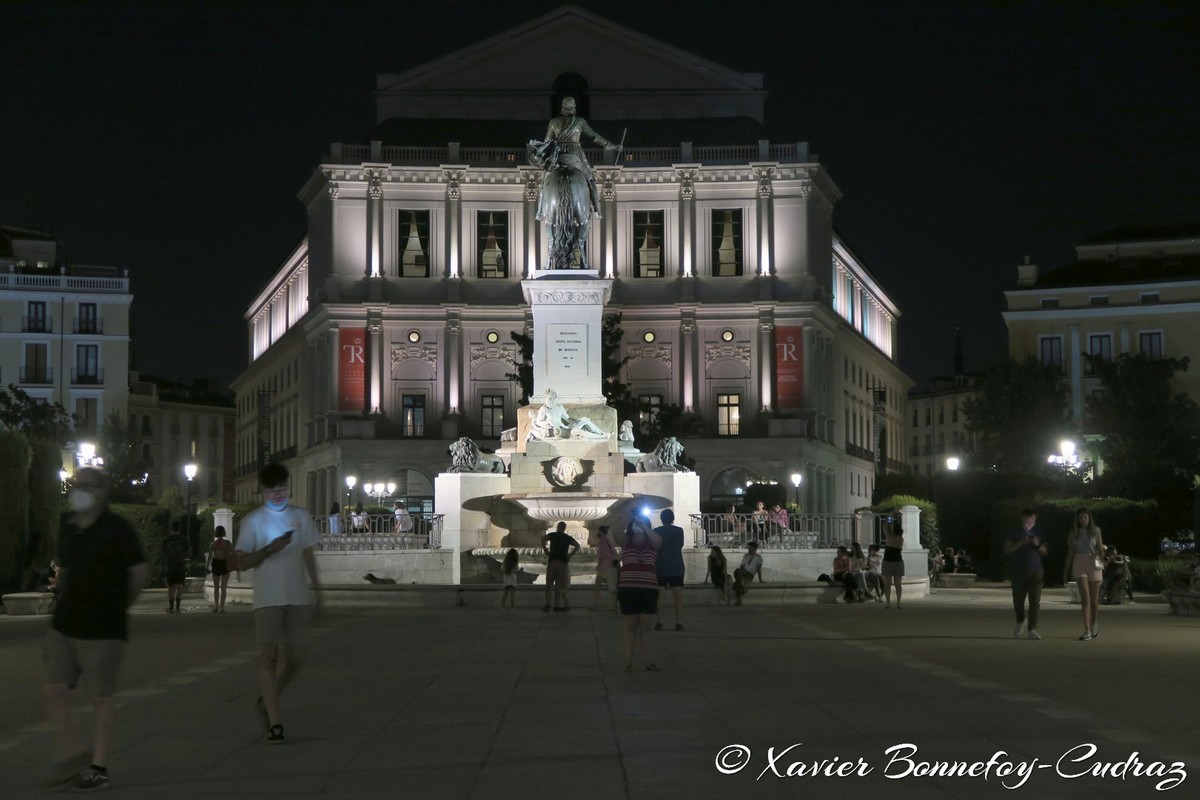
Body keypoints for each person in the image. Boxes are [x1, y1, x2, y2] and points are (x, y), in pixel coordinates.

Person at [42, 467, 149, 792]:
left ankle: (98, 766)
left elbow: (140, 573)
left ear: (102, 492)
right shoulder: (68, 526)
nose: (80, 490)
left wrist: (118, 608)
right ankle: (74, 754)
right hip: (66, 622)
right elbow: (67, 569)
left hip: (104, 626)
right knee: (55, 688)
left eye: (87, 485)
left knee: (100, 697)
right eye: (77, 485)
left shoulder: (118, 528)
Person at [235, 462, 322, 745]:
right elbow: (242, 561)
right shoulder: (254, 521)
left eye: (281, 487)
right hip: (268, 599)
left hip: (298, 597)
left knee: (297, 658)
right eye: (271, 489)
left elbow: (309, 554)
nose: (277, 493)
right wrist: (269, 549)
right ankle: (275, 721)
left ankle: (267, 699)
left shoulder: (301, 516)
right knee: (269, 660)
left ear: (288, 486)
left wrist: (319, 592)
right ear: (261, 490)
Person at [616, 518, 663, 672]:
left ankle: (649, 662)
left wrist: (644, 526)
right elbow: (614, 531)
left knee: (646, 627)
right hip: (628, 589)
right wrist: (628, 516)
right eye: (636, 523)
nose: (638, 525)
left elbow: (659, 542)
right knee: (630, 626)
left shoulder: (652, 542)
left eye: (642, 523)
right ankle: (628, 662)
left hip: (648, 589)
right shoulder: (626, 541)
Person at [1063, 506, 1106, 640]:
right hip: (1079, 562)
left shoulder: (1096, 531)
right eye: (1080, 517)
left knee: (1094, 600)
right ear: (1077, 519)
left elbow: (1101, 549)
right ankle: (1086, 629)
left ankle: (1094, 623)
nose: (1083, 519)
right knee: (1085, 598)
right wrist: (1065, 570)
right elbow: (1071, 552)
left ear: (1089, 517)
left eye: (1085, 517)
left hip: (1094, 563)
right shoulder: (1073, 533)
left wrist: (1099, 553)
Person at [1005, 508, 1046, 640]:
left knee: (1035, 602)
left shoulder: (1039, 533)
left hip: (1036, 570)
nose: (1030, 524)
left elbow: (1045, 551)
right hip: (1018, 570)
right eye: (1028, 521)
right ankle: (1020, 620)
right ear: (1022, 519)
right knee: (1018, 600)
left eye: (1033, 521)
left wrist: (1037, 544)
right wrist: (1022, 542)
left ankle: (1033, 629)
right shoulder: (1014, 532)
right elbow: (1008, 550)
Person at [529, 388, 607, 441]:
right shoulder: (543, 409)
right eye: (546, 399)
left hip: (565, 428)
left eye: (550, 399)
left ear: (555, 399)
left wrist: (578, 421)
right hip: (557, 432)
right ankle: (601, 437)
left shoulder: (559, 407)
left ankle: (603, 433)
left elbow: (568, 419)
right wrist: (548, 422)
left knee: (585, 420)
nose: (547, 401)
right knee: (577, 431)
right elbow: (539, 422)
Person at [653, 509, 686, 631]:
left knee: (660, 596)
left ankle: (659, 621)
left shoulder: (656, 531)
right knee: (678, 596)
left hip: (661, 565)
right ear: (673, 518)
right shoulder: (679, 531)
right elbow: (680, 545)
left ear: (662, 519)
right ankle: (679, 622)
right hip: (676, 565)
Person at [541, 521, 580, 612]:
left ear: (557, 527)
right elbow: (577, 546)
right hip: (562, 563)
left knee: (549, 585)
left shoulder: (553, 535)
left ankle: (547, 604)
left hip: (552, 561)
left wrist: (545, 550)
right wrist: (570, 555)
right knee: (559, 586)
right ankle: (556, 605)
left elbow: (543, 539)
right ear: (564, 528)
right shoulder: (567, 537)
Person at [161, 520, 188, 614]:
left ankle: (171, 607)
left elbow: (163, 553)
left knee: (171, 586)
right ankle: (178, 607)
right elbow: (188, 552)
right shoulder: (184, 540)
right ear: (180, 529)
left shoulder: (166, 540)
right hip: (180, 565)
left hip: (170, 565)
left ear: (171, 528)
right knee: (180, 586)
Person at [207, 525, 234, 613]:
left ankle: (216, 606)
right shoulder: (227, 543)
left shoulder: (213, 544)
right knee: (223, 588)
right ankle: (222, 607)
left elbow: (210, 556)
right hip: (225, 564)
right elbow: (231, 553)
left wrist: (207, 566)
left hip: (216, 564)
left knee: (216, 587)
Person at [881, 518, 906, 609]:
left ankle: (888, 603)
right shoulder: (901, 539)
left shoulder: (889, 537)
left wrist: (888, 520)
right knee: (898, 584)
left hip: (888, 562)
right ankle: (899, 603)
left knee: (887, 584)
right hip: (898, 562)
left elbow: (884, 527)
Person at [593, 525, 618, 612]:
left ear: (602, 532)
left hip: (604, 566)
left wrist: (599, 564)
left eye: (599, 531)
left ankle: (596, 605)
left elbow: (602, 555)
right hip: (610, 565)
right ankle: (613, 606)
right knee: (611, 586)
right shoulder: (609, 541)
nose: (597, 532)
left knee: (598, 587)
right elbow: (613, 553)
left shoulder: (602, 541)